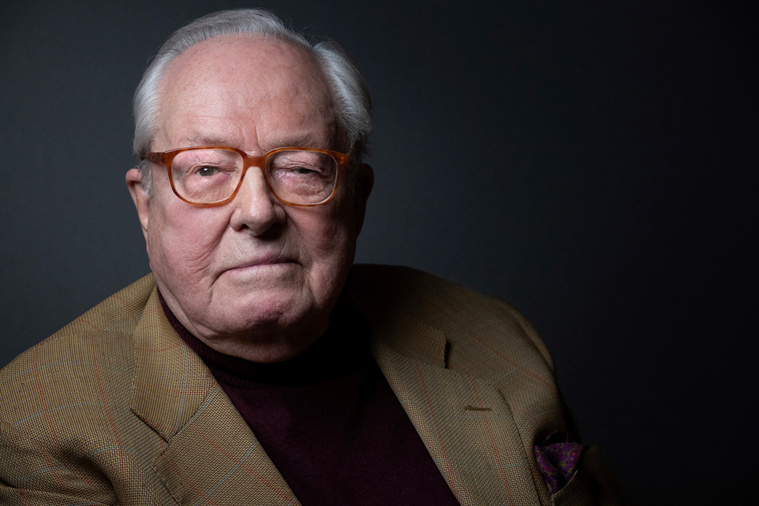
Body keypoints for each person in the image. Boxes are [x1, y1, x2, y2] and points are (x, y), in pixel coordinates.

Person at [0, 9, 618, 505]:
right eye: (207, 170)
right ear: (146, 203)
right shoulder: (42, 429)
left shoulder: (496, 337)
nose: (259, 212)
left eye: (300, 168)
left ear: (357, 199)